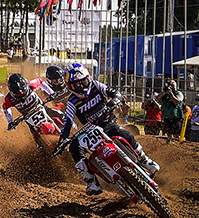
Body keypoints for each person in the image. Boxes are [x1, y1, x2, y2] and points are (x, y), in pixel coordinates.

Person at [56, 65, 160, 195]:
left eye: (84, 82)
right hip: (91, 131)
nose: (81, 87)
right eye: (76, 85)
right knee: (74, 148)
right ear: (70, 87)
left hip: (108, 124)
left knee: (126, 134)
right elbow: (67, 122)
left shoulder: (95, 85)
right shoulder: (72, 101)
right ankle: (91, 181)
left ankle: (145, 160)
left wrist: (113, 102)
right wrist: (63, 139)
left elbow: (116, 93)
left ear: (88, 78)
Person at [1, 73, 58, 151]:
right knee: (34, 133)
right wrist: (10, 121)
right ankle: (41, 148)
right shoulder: (8, 99)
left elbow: (40, 81)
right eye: (18, 94)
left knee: (58, 114)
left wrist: (51, 92)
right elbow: (5, 108)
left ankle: (69, 128)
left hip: (40, 106)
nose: (22, 94)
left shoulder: (30, 84)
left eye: (24, 91)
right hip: (27, 115)